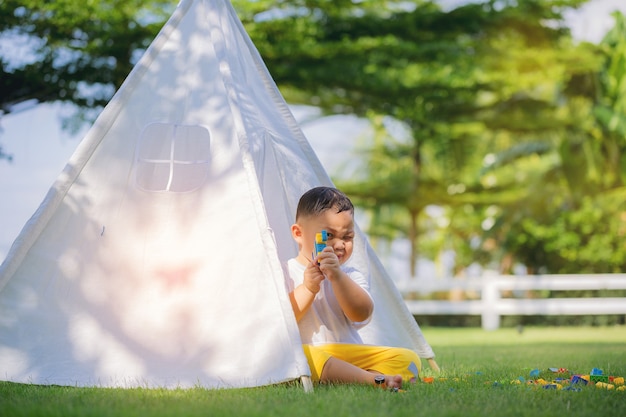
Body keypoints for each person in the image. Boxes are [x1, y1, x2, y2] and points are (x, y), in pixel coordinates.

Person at [285, 186, 422, 390]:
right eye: (328, 235)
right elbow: (282, 322)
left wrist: (338, 277)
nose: (340, 245)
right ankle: (372, 380)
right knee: (298, 355)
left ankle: (367, 377)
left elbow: (361, 313)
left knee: (409, 358)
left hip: (349, 353)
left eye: (347, 237)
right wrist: (308, 288)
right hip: (313, 353)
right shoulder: (286, 272)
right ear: (298, 233)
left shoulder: (350, 275)